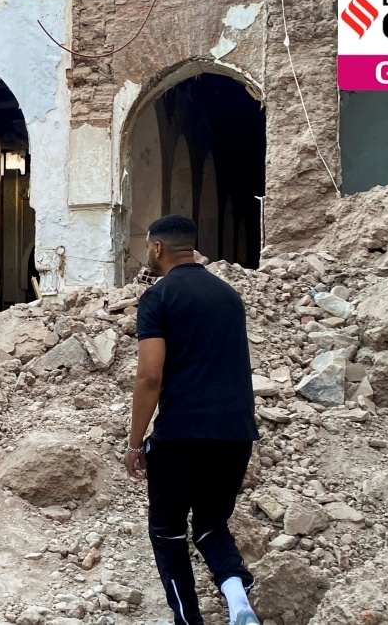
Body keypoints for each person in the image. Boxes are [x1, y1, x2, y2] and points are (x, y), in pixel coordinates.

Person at [123, 215, 261, 625]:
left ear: (158, 248)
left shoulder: (158, 297)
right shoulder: (228, 295)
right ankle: (237, 597)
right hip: (236, 433)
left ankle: (189, 621)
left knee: (167, 530)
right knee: (210, 524)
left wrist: (134, 443)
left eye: (149, 247)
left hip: (182, 433)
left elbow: (150, 375)